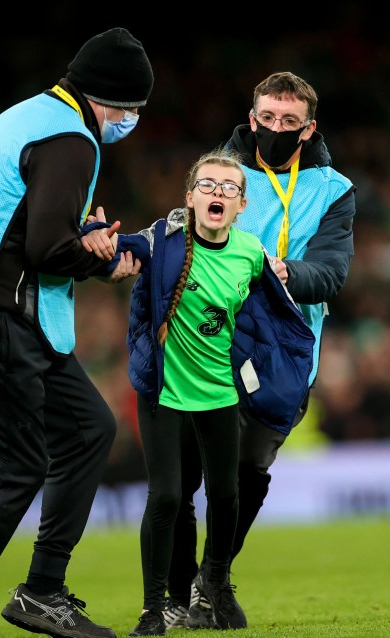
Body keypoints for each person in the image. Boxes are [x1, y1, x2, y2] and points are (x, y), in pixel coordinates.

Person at [0, 27, 153, 638]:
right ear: (108, 100)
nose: (131, 122)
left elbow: (33, 225)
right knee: (11, 471)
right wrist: (104, 259)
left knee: (88, 429)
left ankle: (42, 590)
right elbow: (45, 246)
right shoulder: (73, 140)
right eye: (132, 110)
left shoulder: (29, 116)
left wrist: (82, 237)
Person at [163, 71, 357, 630]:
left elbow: (332, 272)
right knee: (182, 474)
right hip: (206, 341)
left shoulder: (333, 190)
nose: (275, 128)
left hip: (285, 354)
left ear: (308, 128)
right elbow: (184, 240)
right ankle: (182, 593)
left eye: (288, 122)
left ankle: (213, 579)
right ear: (252, 119)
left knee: (249, 469)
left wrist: (283, 272)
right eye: (267, 119)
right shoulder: (218, 175)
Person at [96, 149, 315, 636]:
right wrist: (94, 241)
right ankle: (154, 610)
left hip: (220, 394)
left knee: (225, 494)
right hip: (164, 393)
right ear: (190, 197)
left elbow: (278, 323)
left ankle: (214, 581)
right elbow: (117, 250)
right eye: (208, 185)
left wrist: (283, 374)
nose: (218, 193)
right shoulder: (162, 240)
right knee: (168, 497)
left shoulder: (252, 253)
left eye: (229, 188)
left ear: (241, 206)